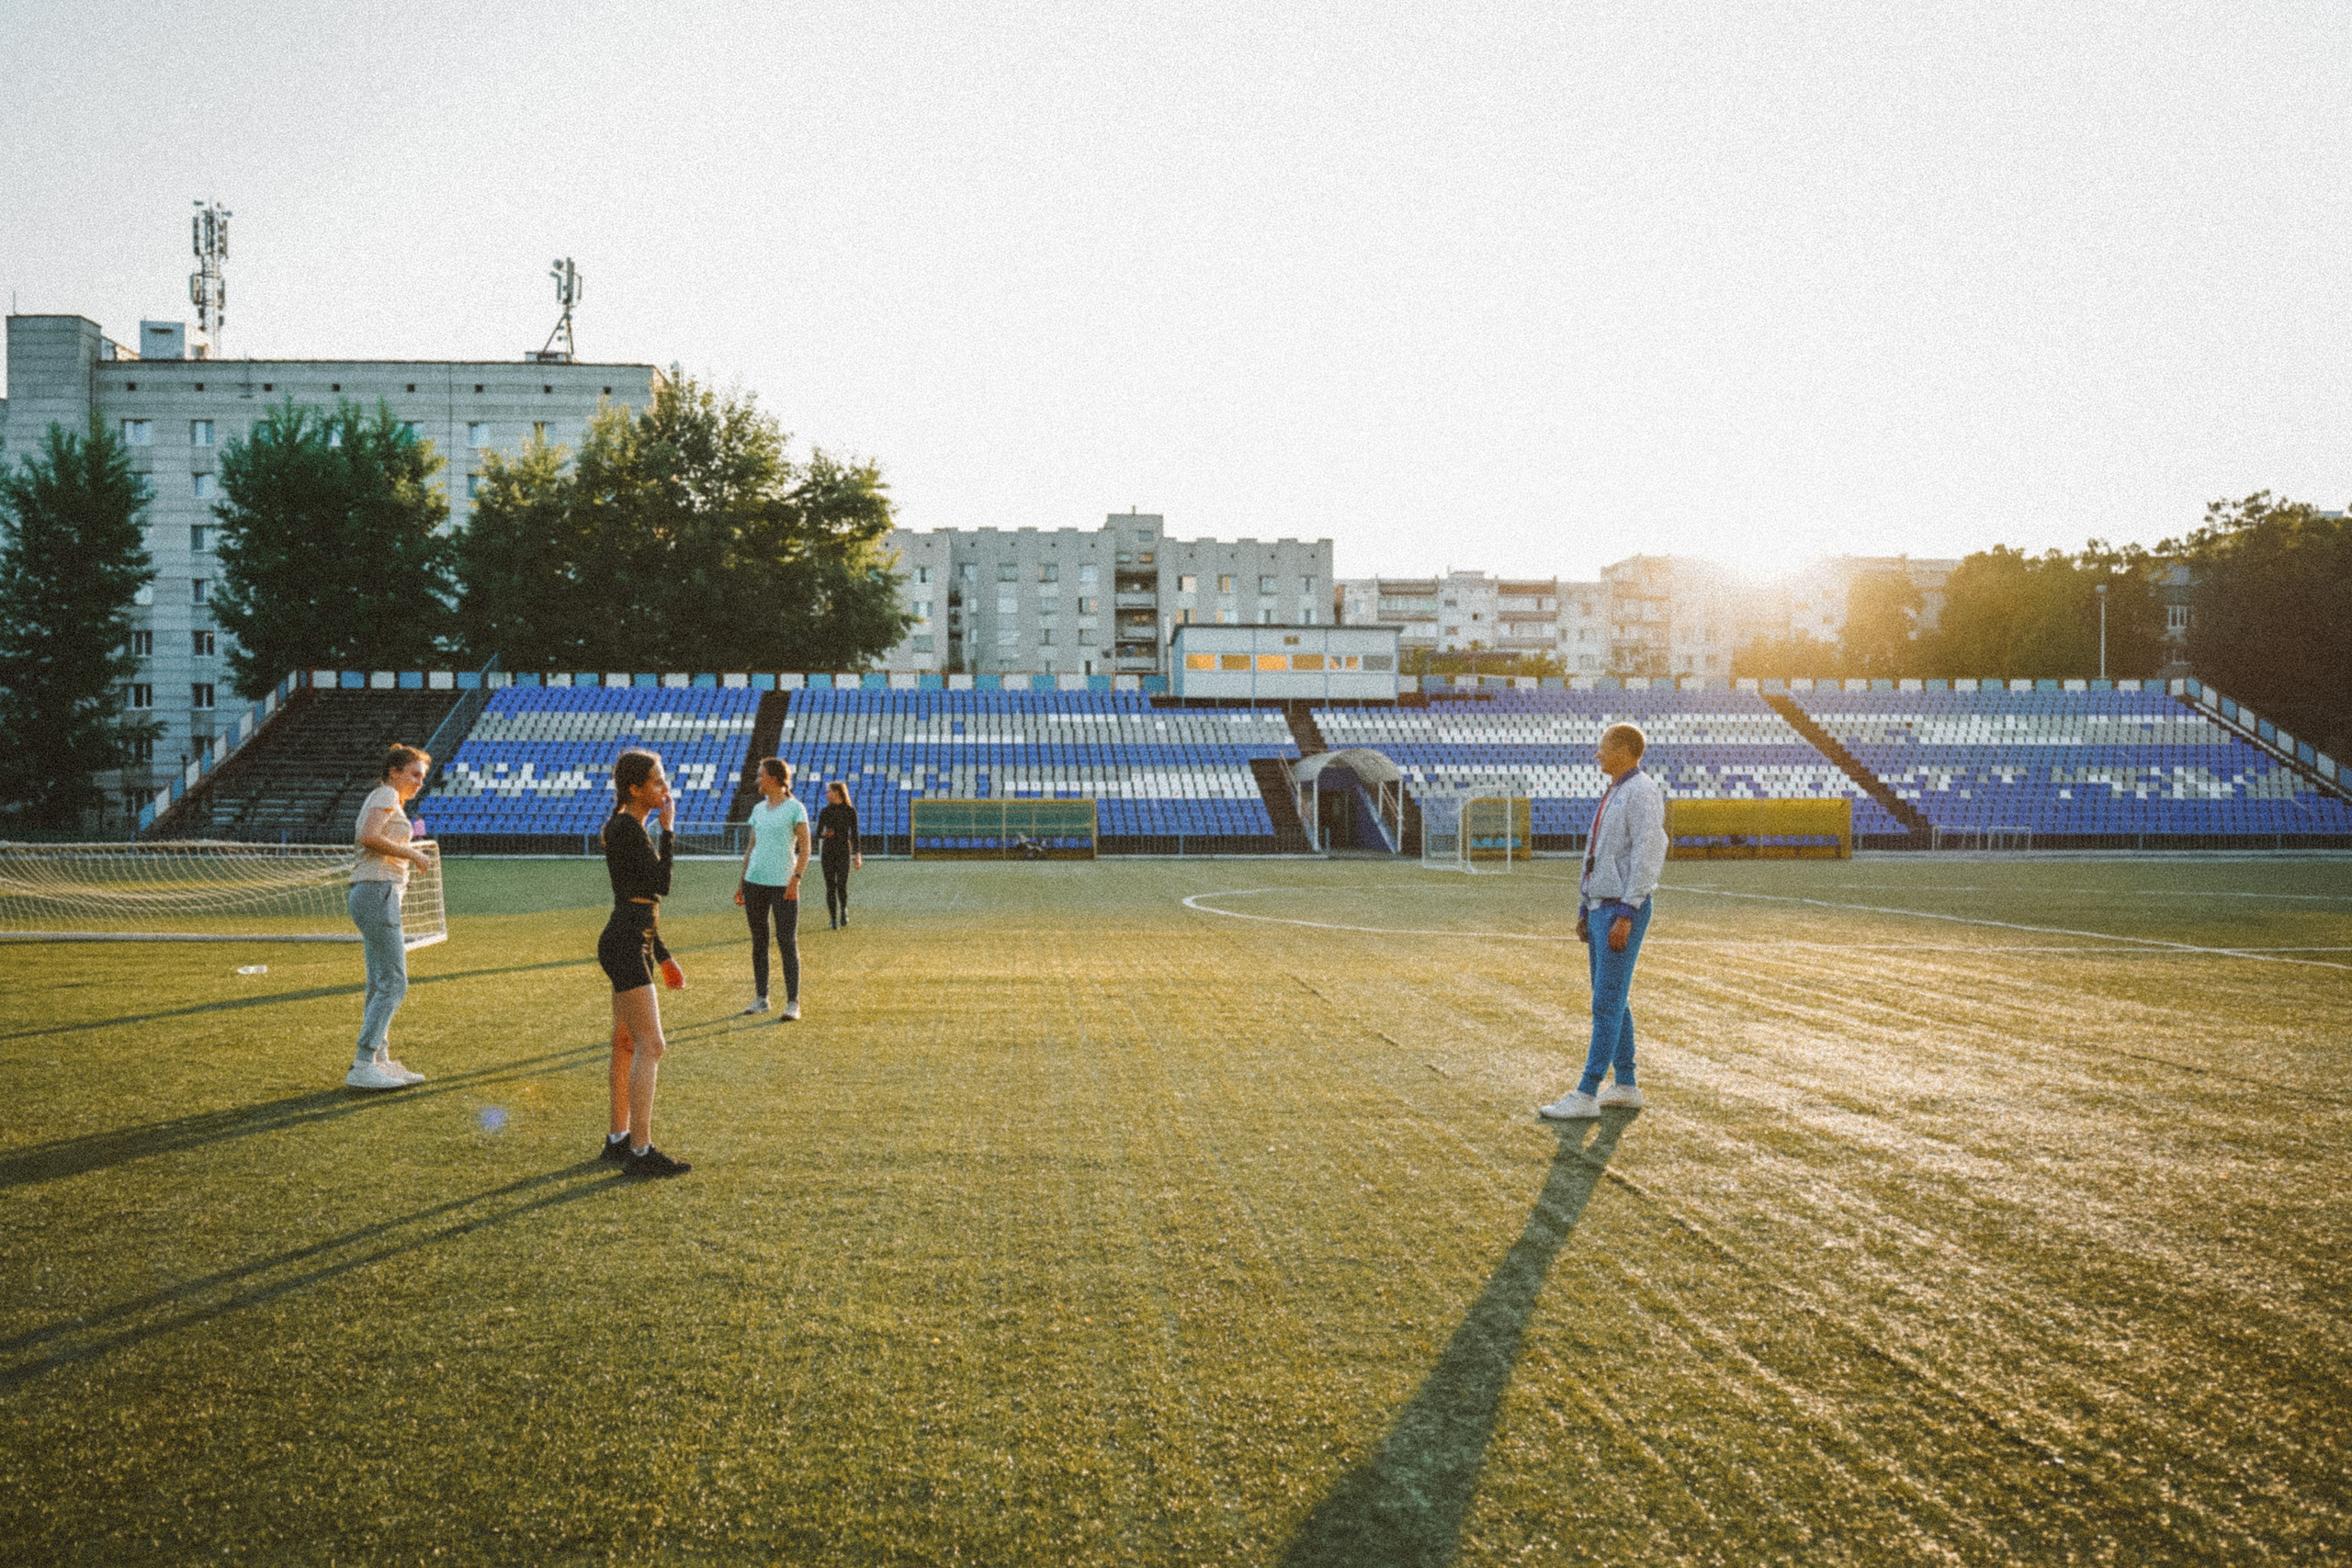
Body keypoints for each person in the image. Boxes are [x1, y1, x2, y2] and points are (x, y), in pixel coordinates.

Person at [1540, 721, 1668, 1122]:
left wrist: (1628, 910)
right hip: (1601, 906)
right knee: (1613, 997)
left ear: (1625, 750)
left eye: (1603, 746)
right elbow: (1596, 852)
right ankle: (1626, 1084)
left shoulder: (1642, 791)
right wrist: (1585, 904)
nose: (1597, 753)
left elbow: (1649, 850)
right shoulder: (1616, 790)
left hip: (1619, 909)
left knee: (1606, 1002)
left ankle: (1587, 1091)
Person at [599, 749, 690, 1177]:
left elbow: (641, 904)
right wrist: (668, 831)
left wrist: (664, 956)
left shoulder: (627, 826)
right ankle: (639, 1151)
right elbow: (661, 885)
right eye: (657, 782)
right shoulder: (628, 829)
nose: (664, 788)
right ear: (635, 789)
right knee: (651, 1045)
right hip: (627, 942)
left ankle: (619, 1138)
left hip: (630, 938)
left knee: (627, 1043)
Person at [345, 743, 435, 1091]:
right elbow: (368, 837)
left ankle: (379, 1059)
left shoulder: (390, 799)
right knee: (395, 983)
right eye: (414, 774)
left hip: (376, 892)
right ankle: (364, 1063)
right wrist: (412, 854)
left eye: (422, 777)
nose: (419, 782)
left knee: (379, 982)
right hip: (377, 891)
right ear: (394, 772)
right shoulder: (385, 793)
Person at [734, 757, 810, 1020]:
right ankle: (761, 998)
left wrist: (796, 880)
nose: (757, 779)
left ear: (775, 778)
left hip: (784, 885)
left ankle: (793, 1003)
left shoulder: (795, 808)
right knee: (759, 941)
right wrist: (741, 882)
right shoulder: (758, 809)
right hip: (755, 882)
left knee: (787, 942)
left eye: (761, 775)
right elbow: (751, 847)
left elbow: (806, 849)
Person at [816, 780, 862, 930]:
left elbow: (855, 834)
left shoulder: (850, 811)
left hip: (843, 850)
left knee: (842, 884)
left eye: (828, 791)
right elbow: (818, 833)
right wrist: (825, 834)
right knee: (830, 885)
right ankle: (833, 919)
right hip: (828, 851)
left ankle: (843, 910)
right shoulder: (825, 811)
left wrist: (857, 854)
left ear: (837, 793)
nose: (826, 794)